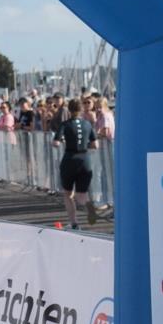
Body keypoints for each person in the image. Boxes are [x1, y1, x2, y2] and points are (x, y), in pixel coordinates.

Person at [53, 98, 99, 230]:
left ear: (69, 109)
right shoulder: (87, 124)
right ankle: (89, 205)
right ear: (81, 110)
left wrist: (60, 141)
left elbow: (56, 143)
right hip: (85, 160)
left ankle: (74, 223)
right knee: (81, 195)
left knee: (68, 193)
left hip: (70, 159)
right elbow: (95, 144)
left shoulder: (65, 124)